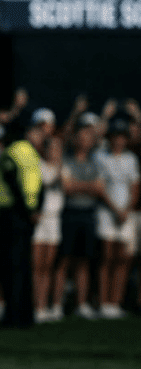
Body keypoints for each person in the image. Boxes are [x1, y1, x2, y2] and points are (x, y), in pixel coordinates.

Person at [0, 116, 46, 328]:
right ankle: (26, 315)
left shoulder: (11, 152)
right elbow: (39, 184)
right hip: (28, 217)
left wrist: (26, 210)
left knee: (11, 267)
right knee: (24, 266)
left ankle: (12, 315)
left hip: (12, 214)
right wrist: (35, 211)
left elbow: (13, 183)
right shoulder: (32, 153)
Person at [55, 112, 104, 320]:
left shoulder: (95, 163)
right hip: (69, 213)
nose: (84, 140)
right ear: (75, 139)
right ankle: (56, 305)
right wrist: (88, 187)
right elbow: (67, 188)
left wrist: (79, 186)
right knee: (63, 261)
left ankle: (81, 304)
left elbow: (99, 189)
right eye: (81, 136)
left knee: (84, 261)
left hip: (88, 214)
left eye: (88, 137)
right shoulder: (66, 160)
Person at [93, 116, 138, 320]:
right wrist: (115, 209)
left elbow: (135, 186)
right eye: (115, 136)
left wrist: (126, 209)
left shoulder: (131, 159)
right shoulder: (100, 157)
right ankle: (103, 303)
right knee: (106, 257)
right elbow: (100, 187)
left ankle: (115, 303)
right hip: (106, 212)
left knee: (123, 259)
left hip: (125, 213)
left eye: (122, 137)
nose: (118, 140)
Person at [33, 133, 64, 322]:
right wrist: (59, 172)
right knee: (36, 265)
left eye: (58, 148)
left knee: (48, 266)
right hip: (40, 220)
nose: (55, 152)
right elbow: (44, 185)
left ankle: (43, 306)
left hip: (55, 220)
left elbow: (67, 187)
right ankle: (35, 305)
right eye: (51, 147)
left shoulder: (61, 166)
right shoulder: (38, 166)